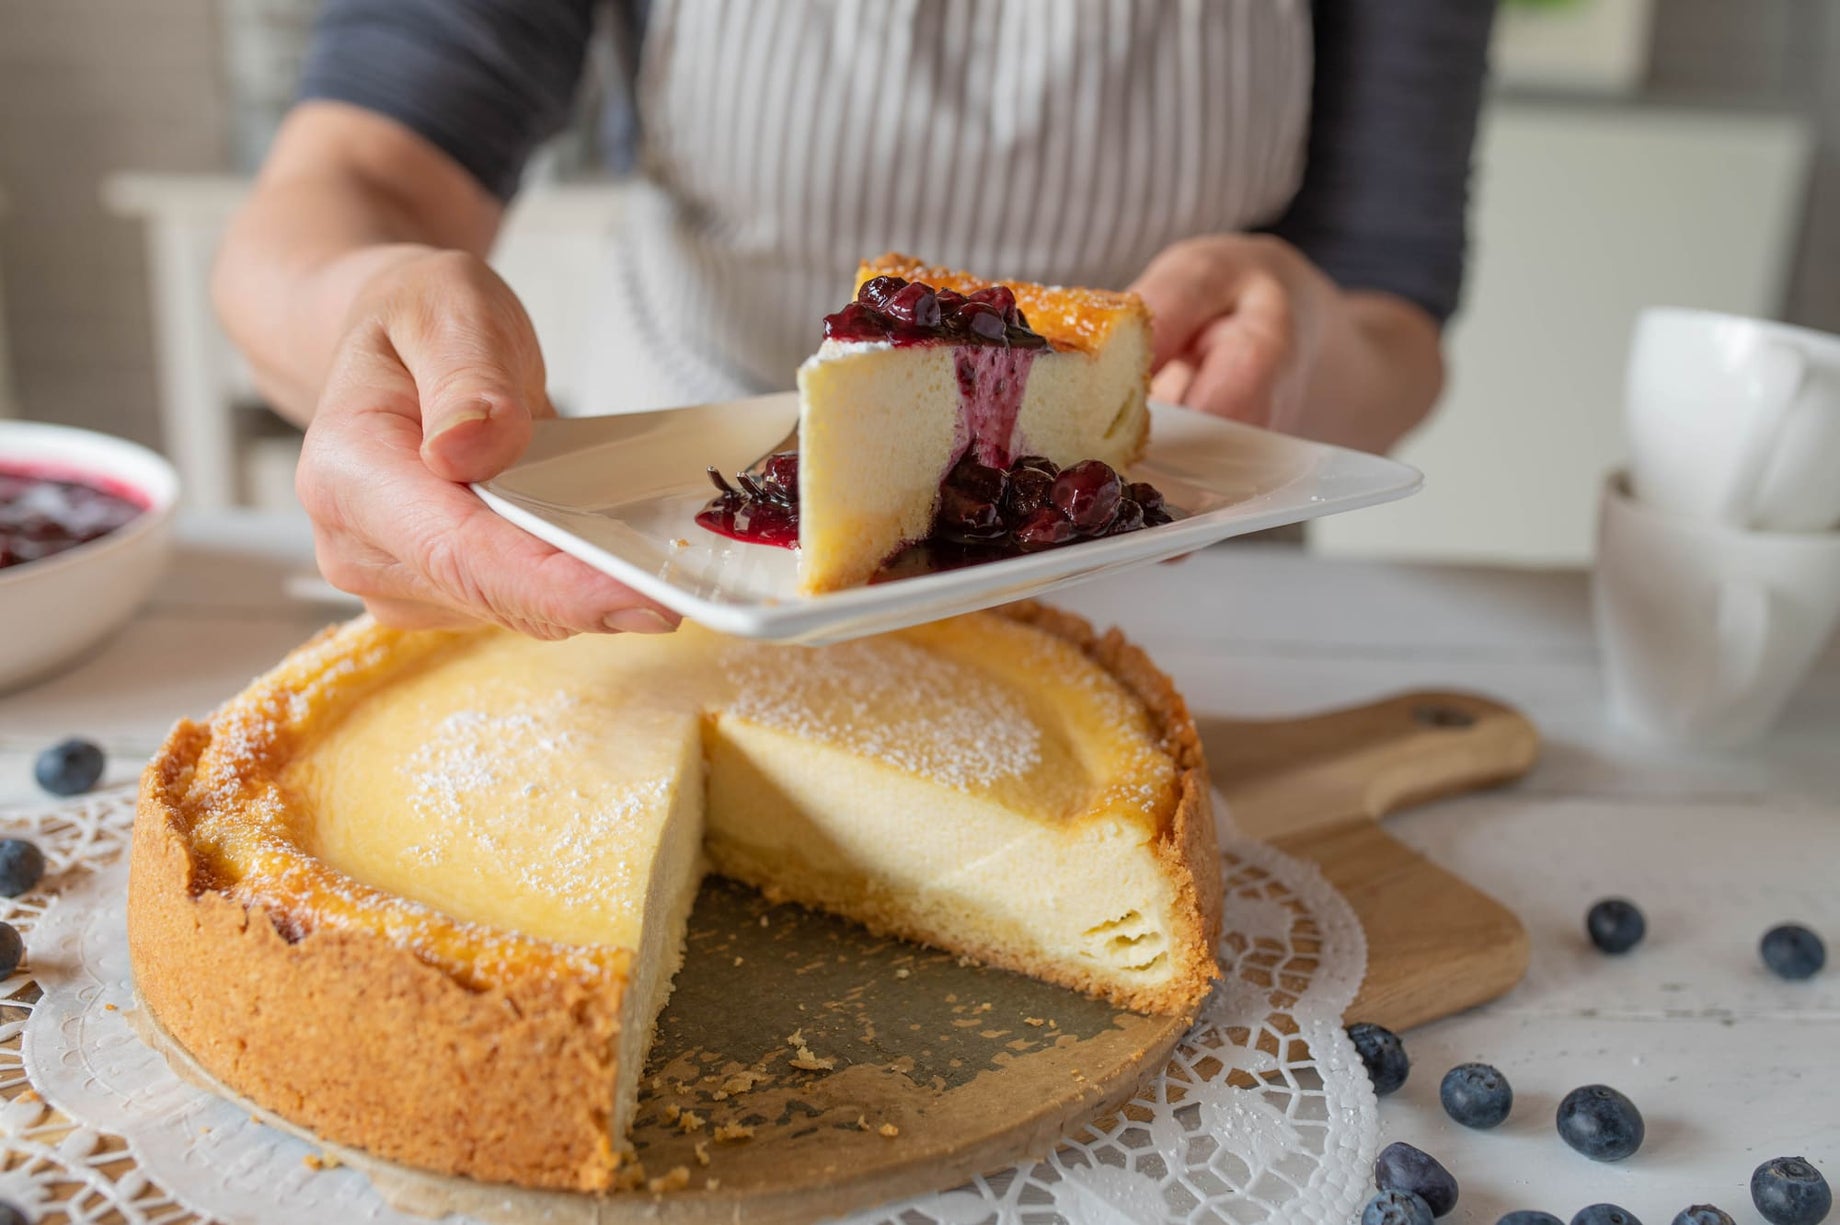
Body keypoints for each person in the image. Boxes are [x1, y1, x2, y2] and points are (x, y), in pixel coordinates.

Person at [214, 0, 1495, 639]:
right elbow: (353, 176)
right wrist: (366, 309)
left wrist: (1304, 344)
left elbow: (1392, 311)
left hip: (1177, 604)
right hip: (682, 568)